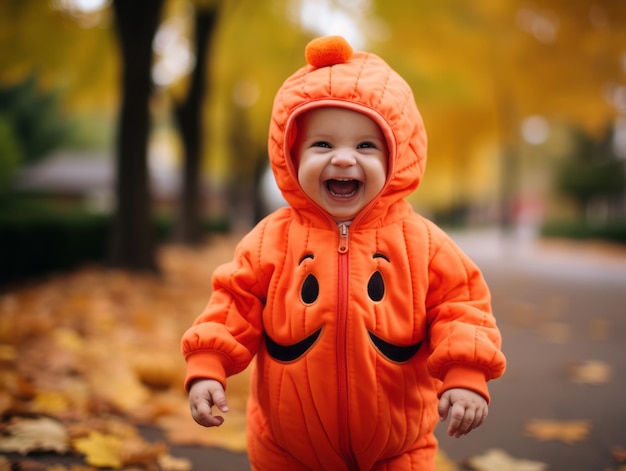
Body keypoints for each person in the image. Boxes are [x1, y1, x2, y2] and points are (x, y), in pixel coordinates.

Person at [181, 35, 506, 470]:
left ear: (397, 157)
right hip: (287, 448)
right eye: (322, 145)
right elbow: (231, 306)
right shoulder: (269, 242)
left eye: (366, 146)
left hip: (398, 448)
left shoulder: (424, 245)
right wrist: (208, 365)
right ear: (290, 155)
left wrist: (465, 374)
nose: (343, 159)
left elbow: (462, 307)